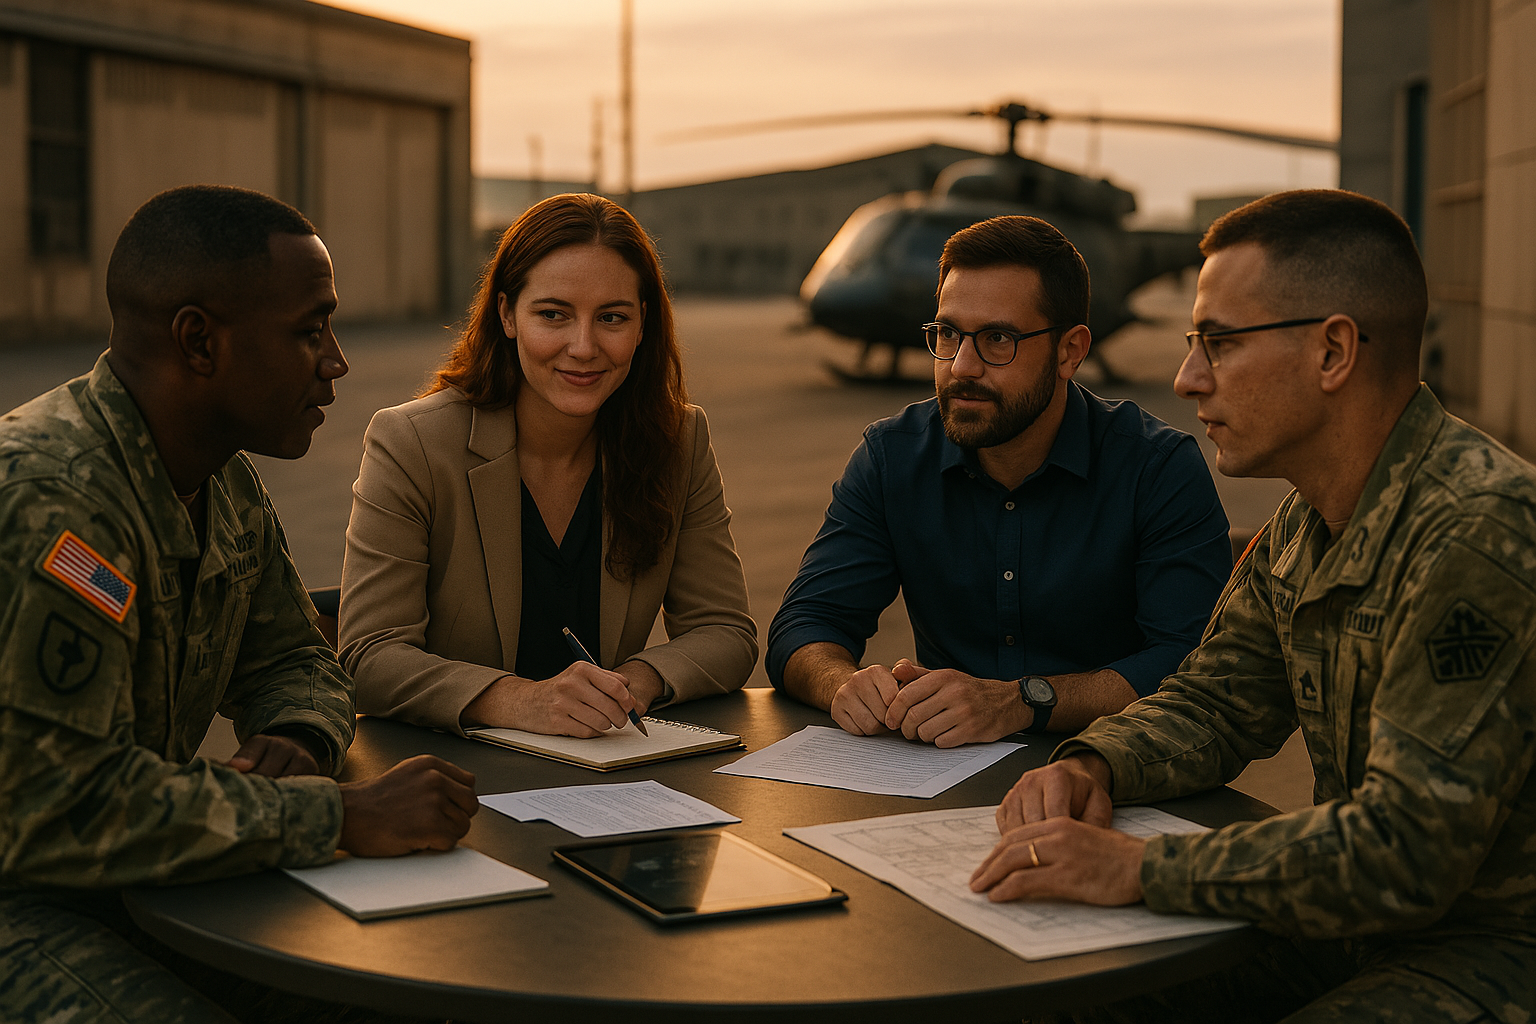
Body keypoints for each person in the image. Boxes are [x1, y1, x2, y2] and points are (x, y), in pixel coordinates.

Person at [971, 190, 1536, 1022]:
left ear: (1334, 351)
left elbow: (1406, 849)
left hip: (1493, 947)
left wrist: (1135, 871)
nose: (1186, 377)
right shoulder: (1308, 522)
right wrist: (1094, 764)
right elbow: (1216, 702)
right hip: (1357, 926)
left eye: (1219, 343)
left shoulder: (1479, 532)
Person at [0, 185, 479, 1023]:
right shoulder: (58, 498)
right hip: (25, 896)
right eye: (309, 330)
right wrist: (333, 813)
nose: (335, 360)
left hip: (126, 878)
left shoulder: (217, 476)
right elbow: (60, 804)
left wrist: (295, 737)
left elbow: (295, 657)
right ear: (199, 341)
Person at [767, 215, 1231, 746]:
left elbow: (1189, 661)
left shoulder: (1157, 467)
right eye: (946, 334)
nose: (961, 366)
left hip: (1115, 773)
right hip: (939, 776)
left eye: (997, 339)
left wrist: (1019, 701)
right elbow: (804, 625)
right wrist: (843, 684)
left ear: (1070, 352)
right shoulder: (893, 456)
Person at [341, 192, 756, 738]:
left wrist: (634, 681)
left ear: (642, 325)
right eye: (553, 315)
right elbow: (368, 656)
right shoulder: (410, 442)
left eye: (611, 317)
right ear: (507, 314)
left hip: (607, 770)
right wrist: (521, 700)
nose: (583, 347)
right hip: (456, 777)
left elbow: (725, 630)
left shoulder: (678, 439)